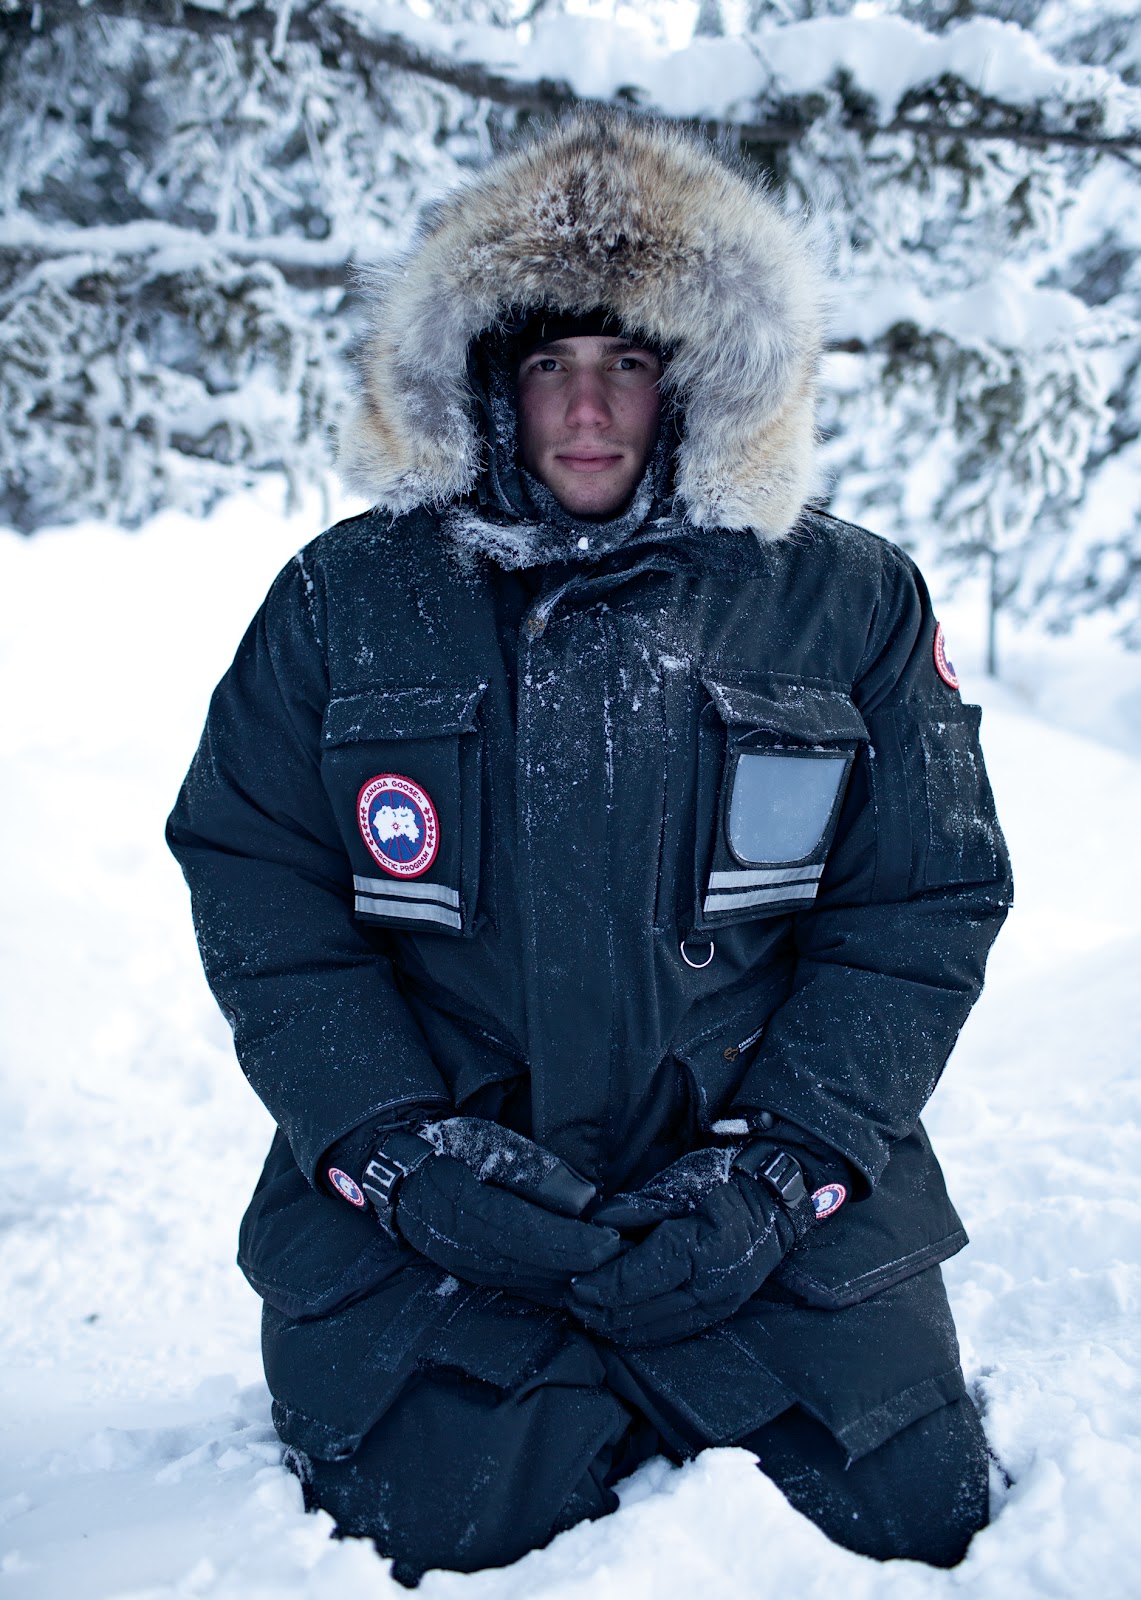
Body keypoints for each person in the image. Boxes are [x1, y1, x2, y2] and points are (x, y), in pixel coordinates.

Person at [167, 112, 1012, 1586]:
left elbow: (920, 904)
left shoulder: (847, 598)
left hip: (763, 1191)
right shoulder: (341, 597)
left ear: (698, 381)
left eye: (627, 363)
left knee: (901, 1515)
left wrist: (793, 1165)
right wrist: (387, 1148)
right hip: (449, 1193)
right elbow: (259, 879)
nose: (585, 412)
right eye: (548, 364)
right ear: (484, 382)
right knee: (437, 1529)